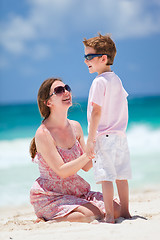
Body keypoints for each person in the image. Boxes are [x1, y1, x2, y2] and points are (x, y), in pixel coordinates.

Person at [30, 77, 121, 223]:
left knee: (116, 210)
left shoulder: (75, 127)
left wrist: (102, 145)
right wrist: (89, 153)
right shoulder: (43, 133)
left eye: (66, 88)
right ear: (48, 102)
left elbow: (86, 166)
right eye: (59, 90)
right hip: (52, 195)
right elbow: (62, 171)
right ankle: (47, 218)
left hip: (76, 191)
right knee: (92, 214)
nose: (66, 92)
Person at [83, 33, 132, 223]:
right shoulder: (117, 80)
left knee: (106, 177)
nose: (85, 60)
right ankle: (126, 212)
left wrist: (90, 138)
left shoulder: (98, 81)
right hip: (120, 135)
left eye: (89, 57)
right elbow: (122, 104)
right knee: (121, 176)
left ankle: (110, 215)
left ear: (103, 58)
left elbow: (96, 112)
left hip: (104, 135)